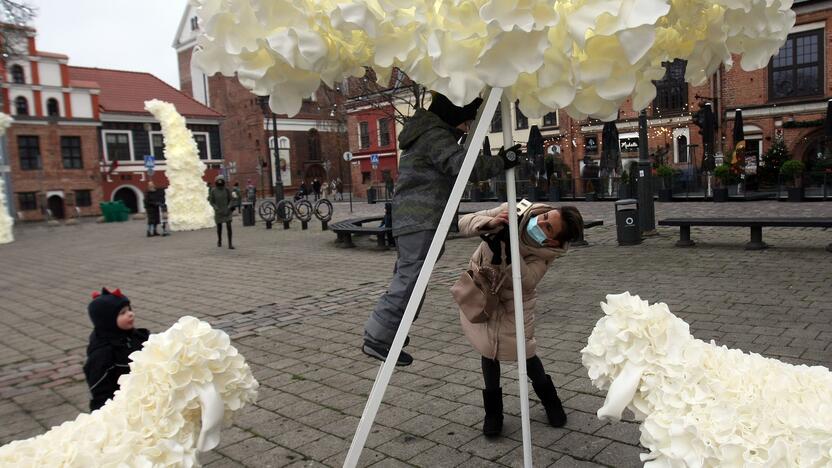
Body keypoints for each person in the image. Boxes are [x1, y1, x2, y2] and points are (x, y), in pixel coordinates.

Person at [362, 92, 520, 366]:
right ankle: (378, 337)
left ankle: (392, 333)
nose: (468, 126)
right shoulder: (434, 134)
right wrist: (502, 162)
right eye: (467, 120)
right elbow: (461, 165)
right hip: (420, 218)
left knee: (411, 278)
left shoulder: (428, 132)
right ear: (454, 112)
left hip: (416, 218)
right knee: (411, 280)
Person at [454, 203, 584, 436]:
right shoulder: (517, 209)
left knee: (525, 352)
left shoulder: (546, 255)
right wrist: (489, 223)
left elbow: (526, 281)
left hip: (514, 304)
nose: (539, 223)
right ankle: (493, 413)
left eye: (547, 227)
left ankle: (551, 401)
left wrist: (509, 249)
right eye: (544, 217)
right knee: (487, 350)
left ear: (553, 241)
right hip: (483, 293)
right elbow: (464, 222)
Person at [83, 288, 150, 411]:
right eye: (122, 313)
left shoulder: (138, 336)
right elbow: (100, 389)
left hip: (145, 393)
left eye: (129, 309)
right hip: (123, 404)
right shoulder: (102, 353)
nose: (130, 314)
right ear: (107, 321)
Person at [208, 174, 235, 249]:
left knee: (229, 226)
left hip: (227, 211)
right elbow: (211, 201)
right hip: (218, 212)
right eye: (218, 182)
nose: (220, 183)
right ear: (216, 182)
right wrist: (215, 208)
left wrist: (229, 206)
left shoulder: (227, 190)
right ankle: (219, 240)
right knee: (219, 227)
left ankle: (230, 243)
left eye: (221, 182)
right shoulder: (213, 191)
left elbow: (231, 199)